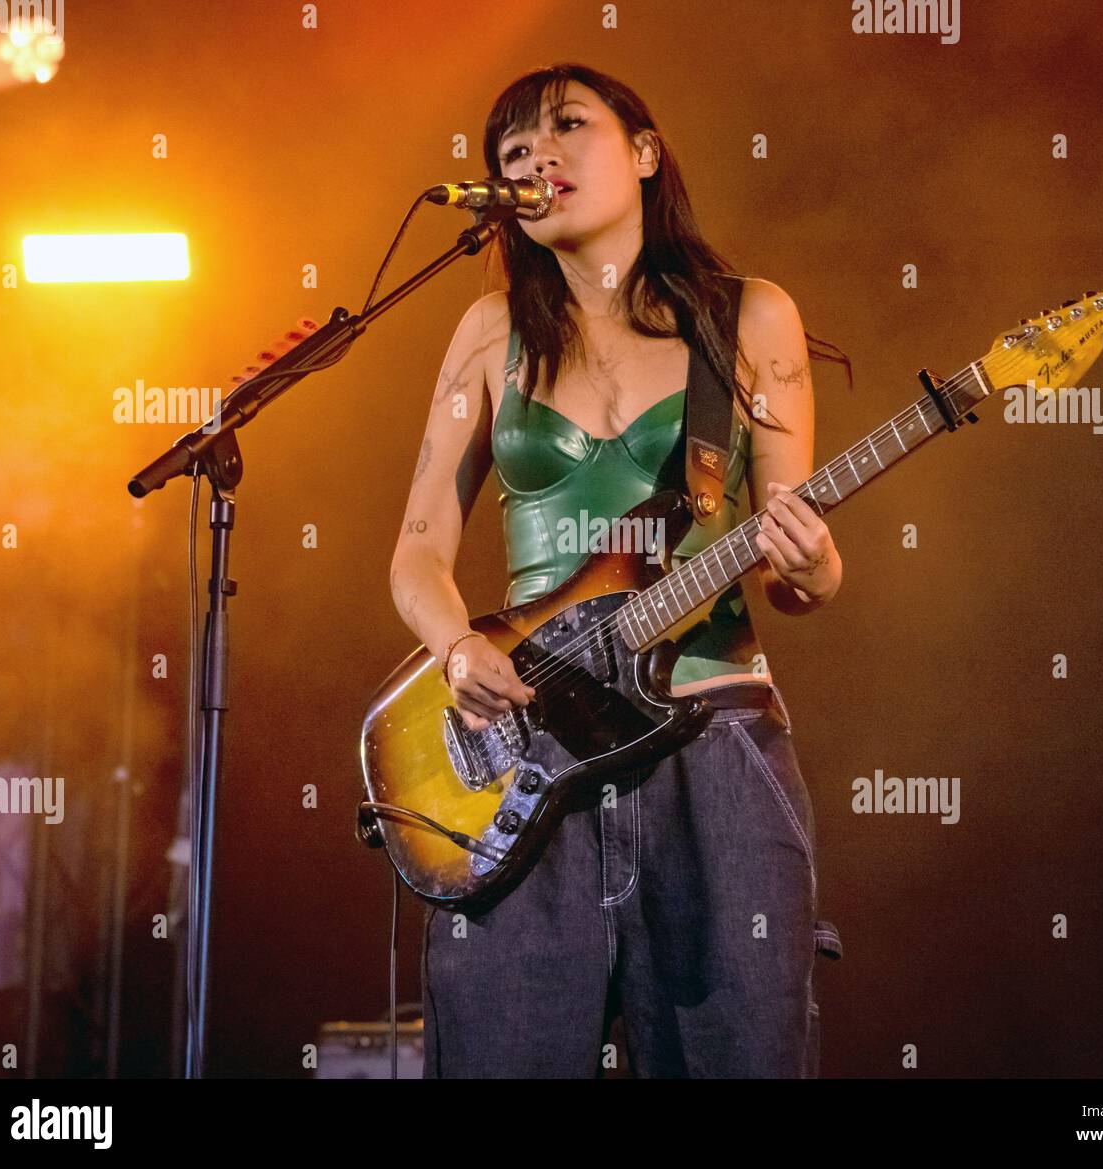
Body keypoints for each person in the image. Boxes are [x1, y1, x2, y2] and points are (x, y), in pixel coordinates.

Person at [389, 62, 848, 1078]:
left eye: (566, 127)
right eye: (512, 149)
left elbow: (795, 575)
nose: (536, 156)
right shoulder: (488, 336)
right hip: (529, 757)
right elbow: (417, 550)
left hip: (710, 736)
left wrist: (811, 560)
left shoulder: (747, 318)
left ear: (645, 153)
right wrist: (458, 644)